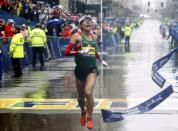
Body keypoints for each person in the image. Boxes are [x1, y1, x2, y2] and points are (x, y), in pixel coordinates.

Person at [65, 15, 108, 129]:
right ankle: (83, 112)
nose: (89, 23)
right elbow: (67, 51)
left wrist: (100, 60)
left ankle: (89, 117)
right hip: (79, 70)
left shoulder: (94, 36)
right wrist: (78, 51)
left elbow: (93, 51)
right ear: (80, 25)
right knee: (80, 96)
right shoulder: (76, 37)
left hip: (91, 69)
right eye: (86, 21)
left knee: (88, 92)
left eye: (90, 21)